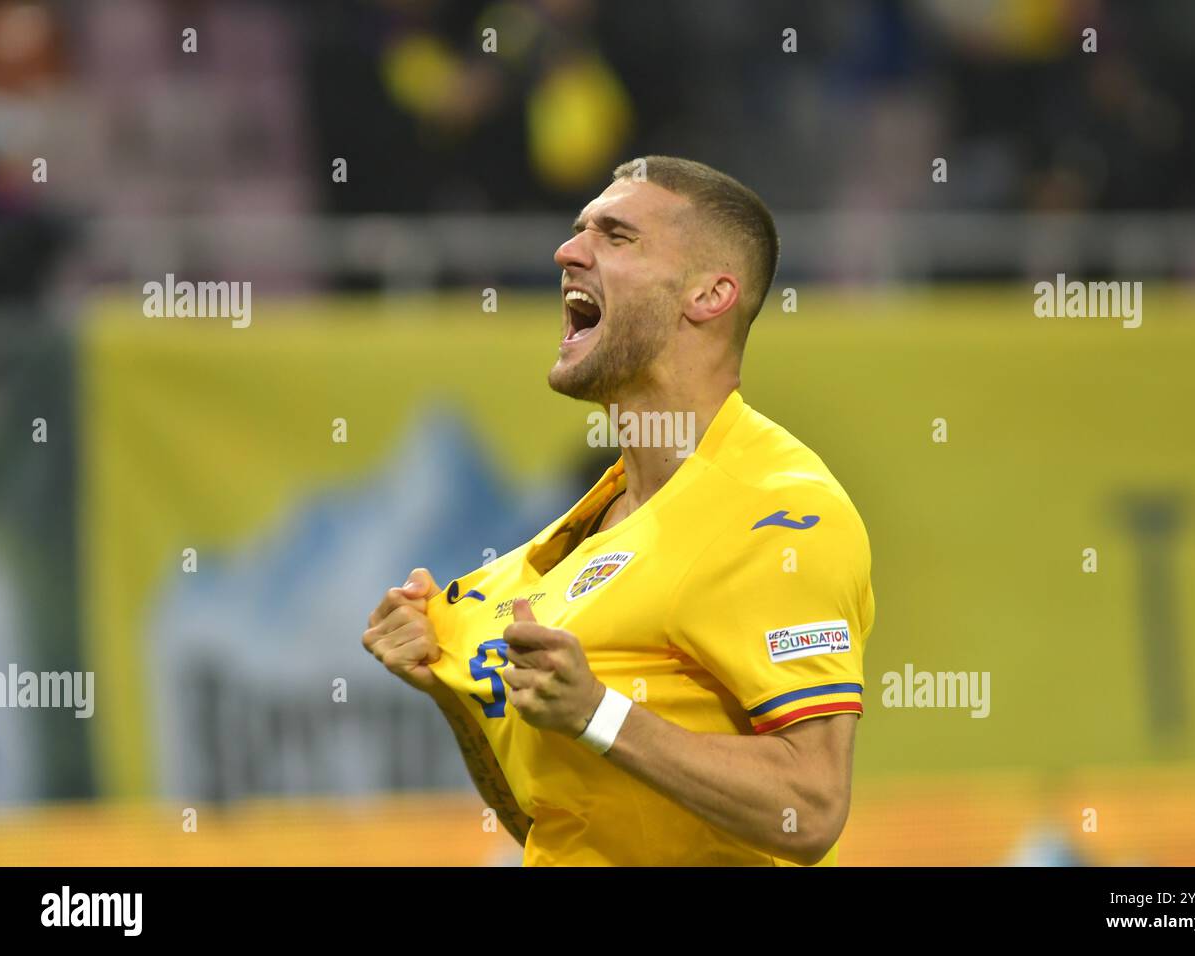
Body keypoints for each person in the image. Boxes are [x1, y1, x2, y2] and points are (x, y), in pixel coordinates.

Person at [362, 156, 875, 865]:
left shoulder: (777, 511)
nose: (567, 252)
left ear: (710, 293)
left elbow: (810, 809)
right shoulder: (570, 543)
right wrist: (450, 687)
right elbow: (557, 819)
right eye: (578, 231)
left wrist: (599, 714)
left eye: (617, 236)